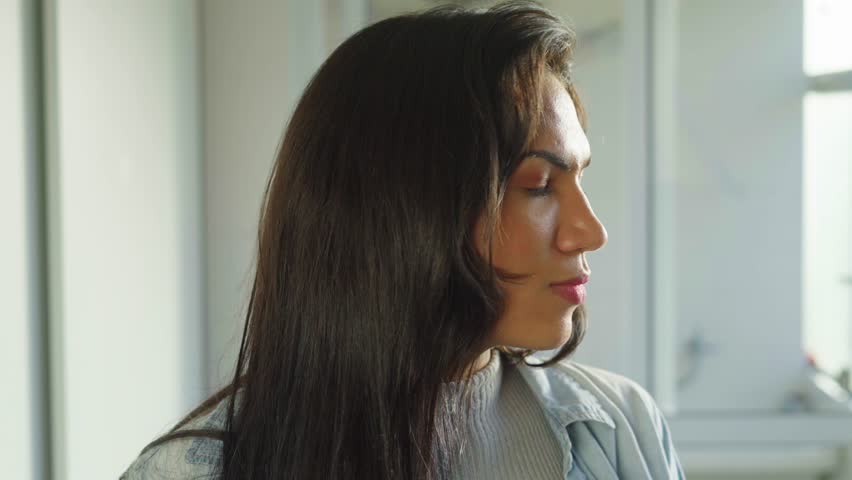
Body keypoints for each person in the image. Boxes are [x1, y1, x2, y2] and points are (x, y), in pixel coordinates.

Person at [121, 1, 684, 479]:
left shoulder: (622, 429)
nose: (590, 230)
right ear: (404, 212)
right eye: (538, 185)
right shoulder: (195, 470)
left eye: (579, 177)